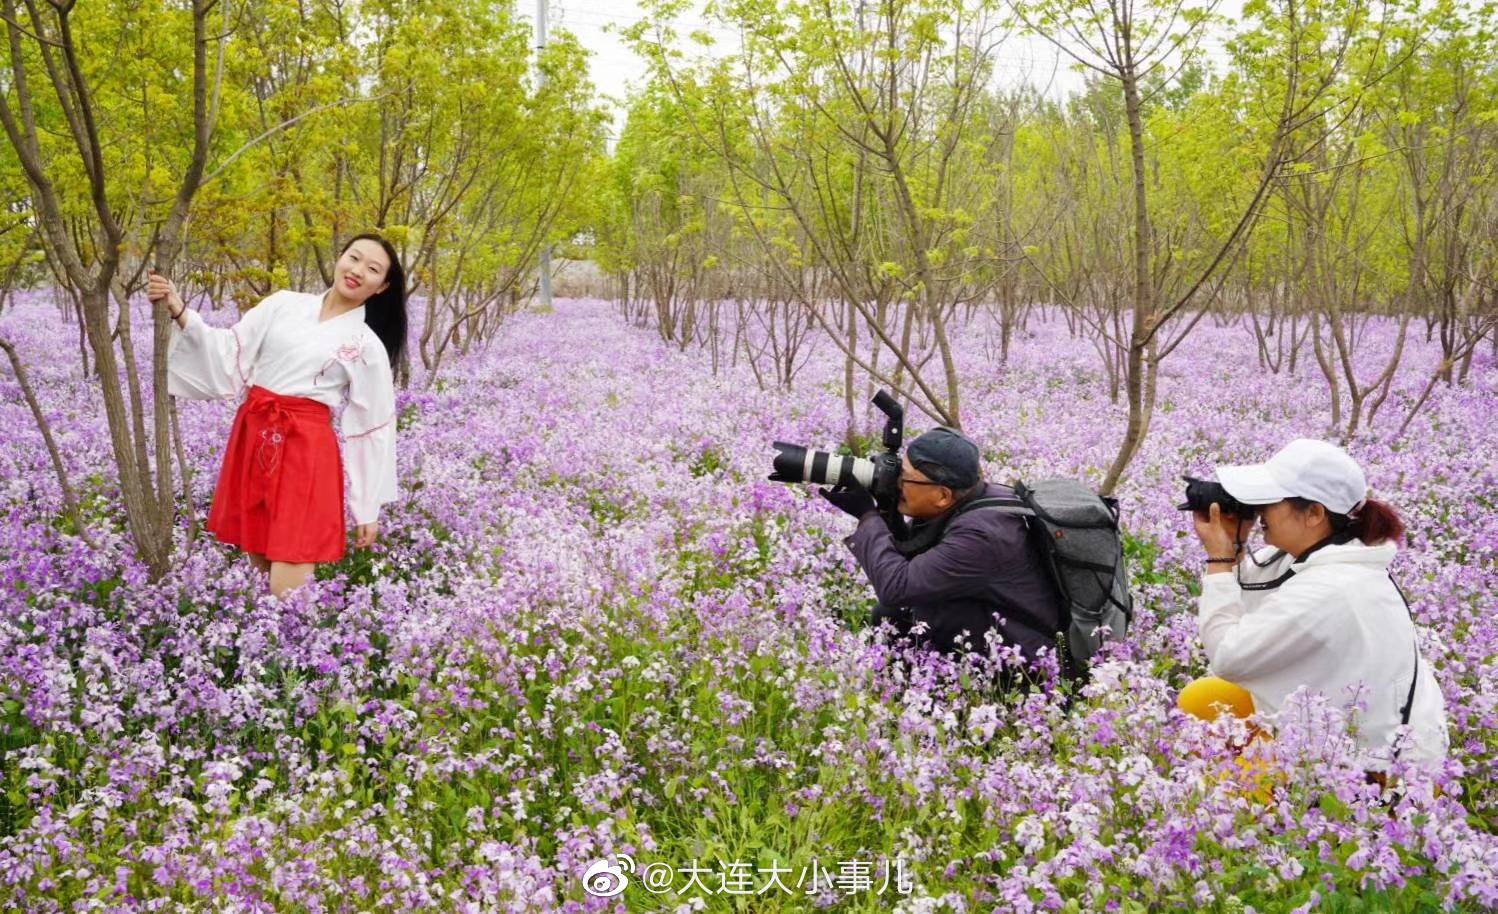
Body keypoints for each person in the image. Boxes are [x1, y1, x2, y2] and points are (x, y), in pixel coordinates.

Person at [149, 234, 404, 597]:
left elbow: (373, 427)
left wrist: (368, 507)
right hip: (255, 433)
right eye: (354, 258)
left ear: (382, 287)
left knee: (292, 560)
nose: (357, 271)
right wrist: (179, 310)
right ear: (340, 256)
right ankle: (271, 645)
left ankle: (289, 642)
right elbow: (232, 349)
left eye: (373, 269)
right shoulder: (284, 304)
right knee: (260, 552)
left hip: (306, 450)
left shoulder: (367, 345)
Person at [1182, 438, 1448, 773]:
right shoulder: (1321, 553)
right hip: (1333, 729)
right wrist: (1233, 547)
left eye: (1269, 500)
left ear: (1314, 513)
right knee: (1203, 699)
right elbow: (1249, 608)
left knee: (1215, 785)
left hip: (1377, 776)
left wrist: (1219, 560)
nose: (1258, 509)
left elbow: (1229, 656)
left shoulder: (1334, 586)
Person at [819, 427, 1063, 665]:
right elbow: (915, 555)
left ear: (943, 496)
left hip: (1020, 662)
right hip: (994, 622)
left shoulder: (980, 537)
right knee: (890, 614)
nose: (896, 483)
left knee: (899, 610)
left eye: (904, 477)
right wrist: (886, 509)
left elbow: (897, 586)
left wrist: (866, 516)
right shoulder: (975, 498)